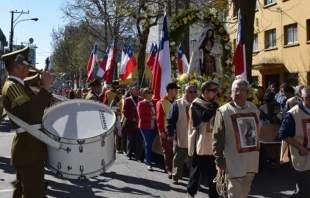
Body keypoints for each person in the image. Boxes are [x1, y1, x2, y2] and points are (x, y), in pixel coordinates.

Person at [1, 46, 53, 198]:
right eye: (26, 64)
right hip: (28, 149)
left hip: (28, 148)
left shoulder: (18, 85)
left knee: (22, 191)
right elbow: (31, 114)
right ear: (18, 66)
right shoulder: (13, 86)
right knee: (33, 194)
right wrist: (45, 88)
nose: (29, 67)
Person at [213, 78, 262, 198]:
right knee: (233, 192)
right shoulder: (223, 112)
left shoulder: (254, 109)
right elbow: (217, 138)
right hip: (233, 160)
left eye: (242, 91)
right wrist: (219, 160)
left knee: (245, 189)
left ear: (248, 94)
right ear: (231, 92)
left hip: (251, 159)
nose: (239, 93)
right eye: (236, 90)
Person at [187, 81, 220, 198]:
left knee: (213, 171)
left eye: (216, 90)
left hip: (214, 142)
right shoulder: (196, 104)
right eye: (213, 91)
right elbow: (204, 118)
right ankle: (191, 192)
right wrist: (214, 106)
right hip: (200, 142)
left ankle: (214, 194)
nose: (216, 93)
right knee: (196, 170)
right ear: (205, 92)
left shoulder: (215, 103)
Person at [279, 86, 310, 197]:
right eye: (308, 98)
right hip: (301, 154)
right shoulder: (292, 114)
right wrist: (300, 147)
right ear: (302, 98)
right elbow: (283, 134)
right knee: (305, 187)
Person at [166, 84, 197, 184]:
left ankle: (194, 180)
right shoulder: (177, 104)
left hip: (196, 137)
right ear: (184, 92)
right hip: (181, 135)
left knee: (195, 160)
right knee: (178, 158)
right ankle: (176, 176)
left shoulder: (199, 104)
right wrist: (170, 134)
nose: (192, 94)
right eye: (189, 92)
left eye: (194, 92)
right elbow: (170, 120)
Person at [156, 82, 179, 178]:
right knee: (168, 151)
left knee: (177, 151)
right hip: (166, 131)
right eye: (175, 89)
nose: (177, 91)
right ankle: (169, 169)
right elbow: (159, 118)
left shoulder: (177, 101)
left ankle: (177, 168)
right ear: (170, 90)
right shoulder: (161, 102)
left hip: (177, 130)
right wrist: (161, 131)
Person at [137, 88, 158, 171]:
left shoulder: (155, 102)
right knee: (148, 144)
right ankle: (149, 163)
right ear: (145, 94)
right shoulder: (141, 104)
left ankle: (147, 157)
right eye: (149, 92)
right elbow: (141, 117)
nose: (151, 94)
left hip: (154, 127)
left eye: (151, 92)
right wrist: (152, 117)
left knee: (151, 144)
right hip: (145, 127)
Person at [122, 86, 143, 161]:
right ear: (131, 91)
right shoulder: (127, 100)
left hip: (139, 122)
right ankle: (129, 154)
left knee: (139, 139)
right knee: (130, 139)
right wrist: (132, 118)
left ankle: (139, 156)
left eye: (138, 90)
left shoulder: (141, 99)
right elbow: (124, 111)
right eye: (135, 90)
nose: (136, 92)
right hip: (130, 122)